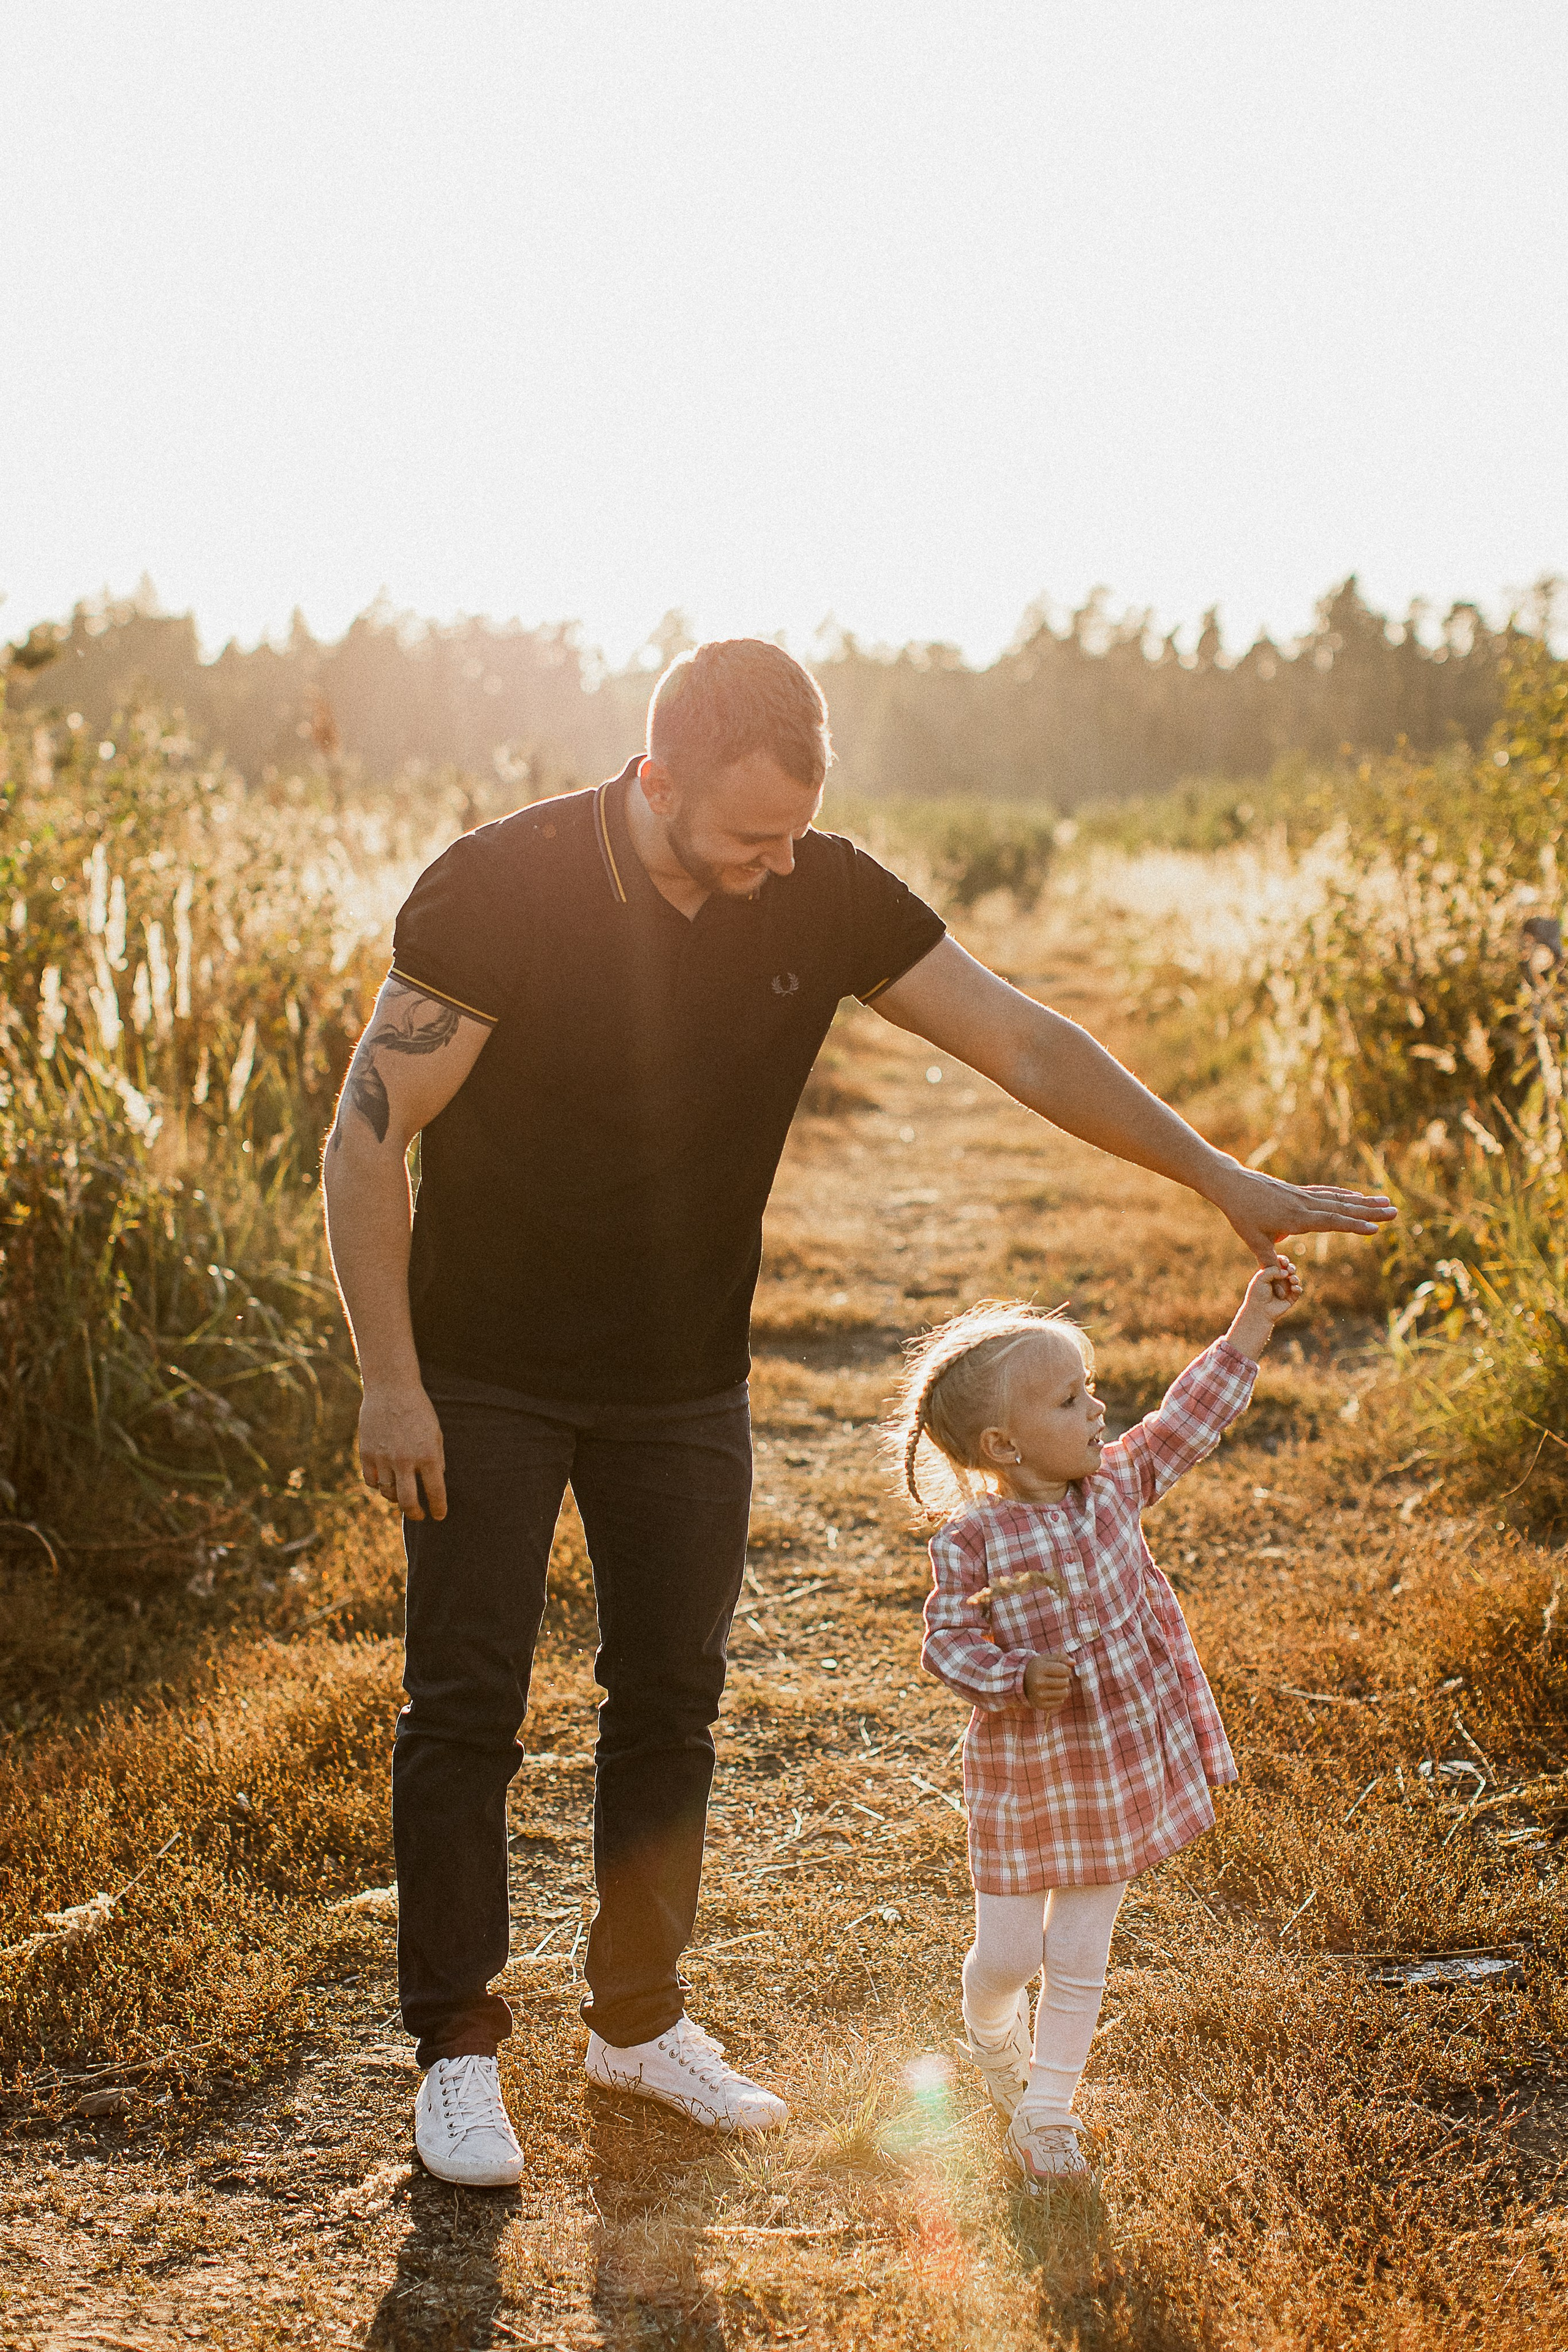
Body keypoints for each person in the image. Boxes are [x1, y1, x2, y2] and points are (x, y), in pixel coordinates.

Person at [320, 636, 1390, 2189]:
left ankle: (637, 2025)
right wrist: (392, 1377)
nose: (777, 867)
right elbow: (370, 1128)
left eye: (797, 835)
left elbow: (1021, 1040)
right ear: (655, 779)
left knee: (670, 1696)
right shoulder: (500, 886)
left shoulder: (817, 888)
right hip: (481, 1366)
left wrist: (1216, 1177)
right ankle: (457, 2052)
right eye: (749, 835)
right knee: (466, 1702)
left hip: (681, 1378)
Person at [895, 1265, 1303, 2191]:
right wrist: (1011, 1677)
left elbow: (1185, 1420)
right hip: (1023, 1773)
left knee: (1079, 1950)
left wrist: (1252, 1321)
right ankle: (990, 2031)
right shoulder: (973, 1540)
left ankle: (1048, 2112)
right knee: (1009, 1957)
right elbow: (946, 1643)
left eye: (1090, 1389)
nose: (1098, 1409)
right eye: (1070, 1399)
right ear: (1005, 1444)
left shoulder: (1116, 1483)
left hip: (1116, 1758)